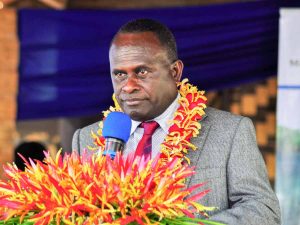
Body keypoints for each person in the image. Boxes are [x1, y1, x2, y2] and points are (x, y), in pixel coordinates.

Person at [72, 19, 281, 224]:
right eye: (119, 74)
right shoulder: (87, 139)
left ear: (175, 72)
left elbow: (263, 210)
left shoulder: (230, 132)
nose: (128, 86)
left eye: (141, 72)